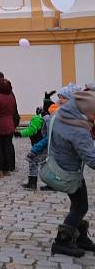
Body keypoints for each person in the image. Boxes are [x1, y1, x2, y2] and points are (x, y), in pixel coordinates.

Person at [46, 89, 95, 257]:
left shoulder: (59, 115)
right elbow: (92, 158)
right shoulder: (78, 130)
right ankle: (63, 240)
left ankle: (80, 236)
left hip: (59, 163)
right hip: (69, 171)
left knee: (78, 204)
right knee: (81, 205)